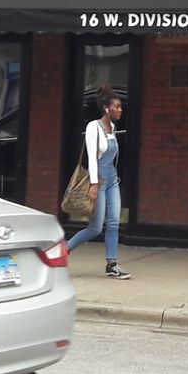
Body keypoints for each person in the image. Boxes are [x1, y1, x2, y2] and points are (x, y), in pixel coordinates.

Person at [64, 92, 131, 278]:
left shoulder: (113, 127)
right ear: (106, 109)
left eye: (120, 107)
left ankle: (112, 264)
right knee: (95, 227)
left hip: (112, 181)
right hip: (98, 181)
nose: (120, 110)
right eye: (117, 107)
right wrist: (94, 184)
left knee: (114, 223)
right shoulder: (93, 127)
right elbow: (92, 158)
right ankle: (64, 249)